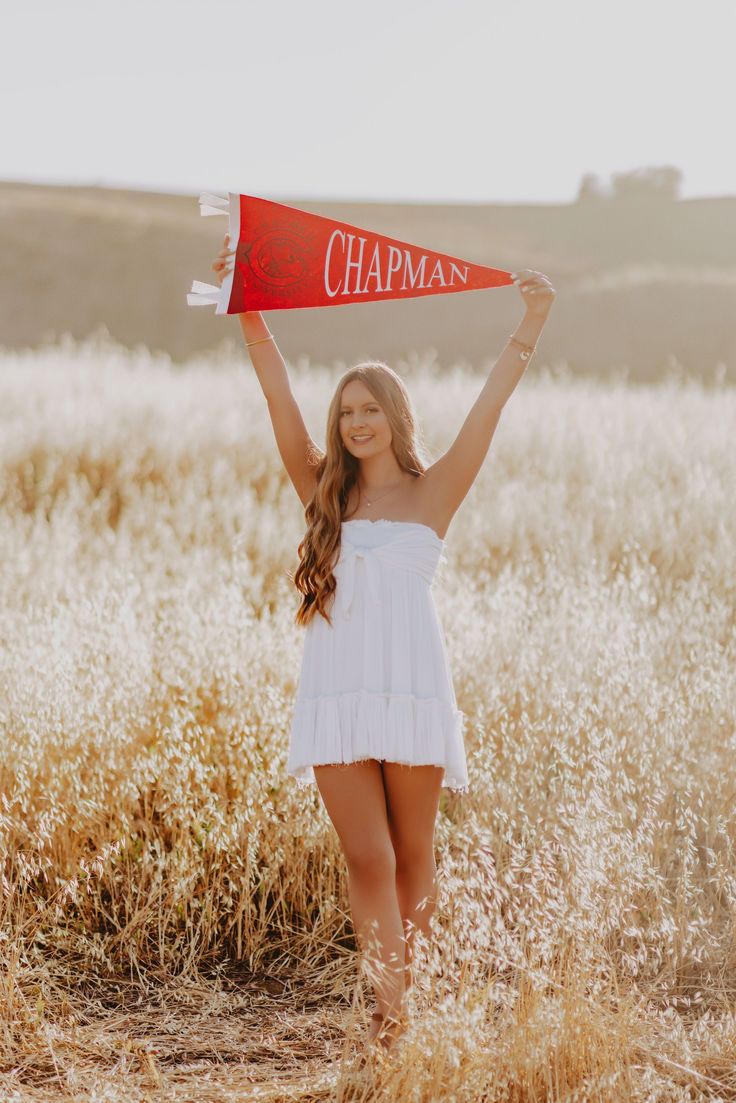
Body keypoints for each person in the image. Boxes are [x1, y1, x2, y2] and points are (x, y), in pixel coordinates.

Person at [212, 233, 555, 1055]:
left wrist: (531, 322)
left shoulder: (437, 489)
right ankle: (388, 1012)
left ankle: (404, 1008)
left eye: (369, 410)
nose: (355, 423)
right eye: (346, 413)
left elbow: (488, 409)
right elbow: (277, 400)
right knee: (366, 853)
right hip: (337, 690)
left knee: (413, 854)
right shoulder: (321, 491)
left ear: (394, 417)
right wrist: (252, 314)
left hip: (410, 688)